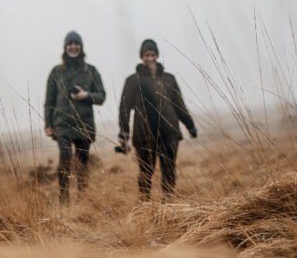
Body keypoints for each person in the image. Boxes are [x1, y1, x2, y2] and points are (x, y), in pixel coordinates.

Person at [118, 39, 197, 199]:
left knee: (169, 169)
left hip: (169, 132)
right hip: (144, 134)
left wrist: (190, 125)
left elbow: (179, 105)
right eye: (146, 55)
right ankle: (145, 205)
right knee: (146, 171)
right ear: (142, 56)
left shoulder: (169, 79)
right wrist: (124, 132)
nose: (150, 58)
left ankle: (167, 204)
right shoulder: (133, 81)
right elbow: (124, 108)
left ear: (157, 55)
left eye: (152, 54)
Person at [44, 31, 105, 203]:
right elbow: (49, 100)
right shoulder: (56, 72)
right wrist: (48, 123)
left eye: (76, 43)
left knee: (82, 163)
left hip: (84, 124)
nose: (73, 46)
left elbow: (101, 96)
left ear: (81, 46)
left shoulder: (91, 71)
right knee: (65, 158)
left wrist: (86, 95)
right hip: (62, 124)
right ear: (65, 47)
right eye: (70, 44)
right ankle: (64, 201)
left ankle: (82, 199)